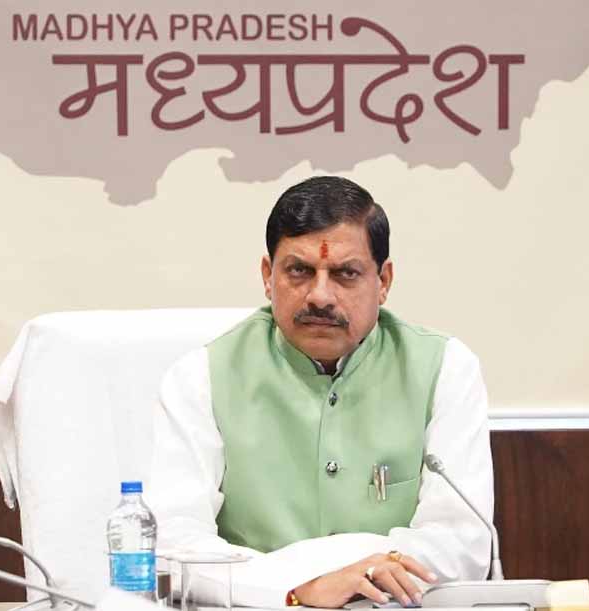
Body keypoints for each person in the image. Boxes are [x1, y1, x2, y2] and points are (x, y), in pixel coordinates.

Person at [145, 176, 494, 609]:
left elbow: (462, 543)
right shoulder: (201, 376)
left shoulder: (445, 368)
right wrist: (296, 590)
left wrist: (360, 574)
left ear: (383, 280)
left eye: (346, 274)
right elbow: (173, 545)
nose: (320, 296)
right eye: (299, 271)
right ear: (267, 276)